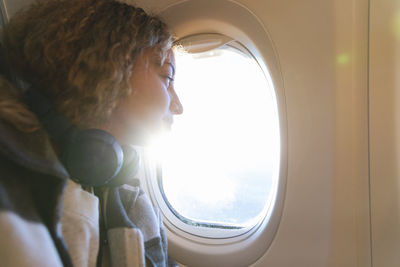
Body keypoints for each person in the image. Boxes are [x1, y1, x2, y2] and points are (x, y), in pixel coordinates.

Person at [0, 0, 182, 266]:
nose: (178, 106)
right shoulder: (12, 177)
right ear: (114, 68)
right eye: (167, 77)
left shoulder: (122, 193)